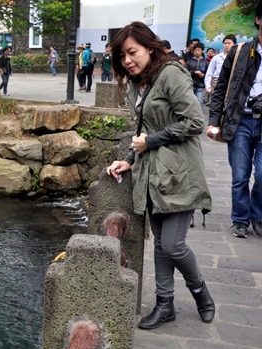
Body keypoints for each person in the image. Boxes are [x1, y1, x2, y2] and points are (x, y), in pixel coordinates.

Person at [106, 21, 214, 330]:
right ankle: (164, 304)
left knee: (174, 244)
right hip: (151, 176)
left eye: (132, 52)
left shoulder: (170, 75)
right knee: (161, 246)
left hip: (180, 174)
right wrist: (128, 159)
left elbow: (194, 121)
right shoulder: (136, 85)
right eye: (122, 56)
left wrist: (150, 141)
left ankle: (201, 293)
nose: (128, 60)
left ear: (150, 47)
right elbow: (142, 133)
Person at [207, 5, 262, 239]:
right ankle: (240, 220)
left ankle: (257, 215)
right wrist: (213, 121)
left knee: (261, 175)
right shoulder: (240, 51)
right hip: (240, 120)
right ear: (258, 20)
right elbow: (220, 89)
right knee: (240, 175)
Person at [204, 34, 236, 108]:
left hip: (230, 83)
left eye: (229, 43)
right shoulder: (217, 57)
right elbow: (209, 72)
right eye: (225, 43)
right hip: (216, 83)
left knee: (228, 105)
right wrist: (208, 85)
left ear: (234, 44)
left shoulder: (236, 58)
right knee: (216, 104)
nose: (227, 45)